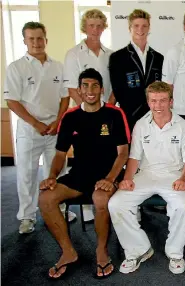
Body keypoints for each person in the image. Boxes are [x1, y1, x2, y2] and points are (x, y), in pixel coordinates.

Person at [38, 68, 130, 279]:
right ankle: (68, 252)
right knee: (46, 198)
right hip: (79, 174)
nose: (90, 90)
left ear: (101, 89)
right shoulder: (70, 117)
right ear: (79, 90)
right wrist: (52, 176)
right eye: (86, 86)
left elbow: (123, 153)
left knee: (99, 198)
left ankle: (101, 251)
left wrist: (110, 179)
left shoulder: (115, 114)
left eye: (95, 86)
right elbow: (60, 154)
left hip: (109, 174)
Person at [108, 82, 185, 275]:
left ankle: (175, 253)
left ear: (171, 101)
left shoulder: (184, 126)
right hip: (146, 174)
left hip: (174, 175)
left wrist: (183, 179)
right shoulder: (140, 124)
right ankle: (139, 249)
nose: (158, 105)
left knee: (182, 205)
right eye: (153, 101)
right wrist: (127, 179)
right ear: (148, 102)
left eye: (163, 100)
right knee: (116, 203)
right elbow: (134, 157)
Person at [3, 22, 72, 234]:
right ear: (24, 41)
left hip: (54, 129)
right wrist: (36, 123)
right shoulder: (16, 67)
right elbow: (12, 101)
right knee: (27, 174)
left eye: (39, 38)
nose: (36, 43)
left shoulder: (58, 66)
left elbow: (65, 96)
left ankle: (59, 208)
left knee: (58, 171)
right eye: (31, 39)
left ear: (46, 40)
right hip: (29, 130)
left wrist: (58, 121)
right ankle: (27, 216)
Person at [63, 8, 113, 221]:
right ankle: (87, 210)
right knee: (85, 157)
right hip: (84, 114)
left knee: (105, 157)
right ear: (85, 27)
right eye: (91, 25)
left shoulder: (110, 54)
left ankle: (104, 201)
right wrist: (89, 109)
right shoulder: (74, 54)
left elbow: (113, 88)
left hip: (106, 114)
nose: (95, 29)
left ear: (104, 27)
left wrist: (106, 111)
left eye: (99, 25)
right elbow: (73, 88)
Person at [109, 9, 164, 131]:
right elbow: (118, 90)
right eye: (136, 26)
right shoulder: (117, 57)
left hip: (154, 116)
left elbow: (161, 87)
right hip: (130, 116)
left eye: (144, 26)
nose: (141, 29)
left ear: (149, 28)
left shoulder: (158, 58)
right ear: (130, 28)